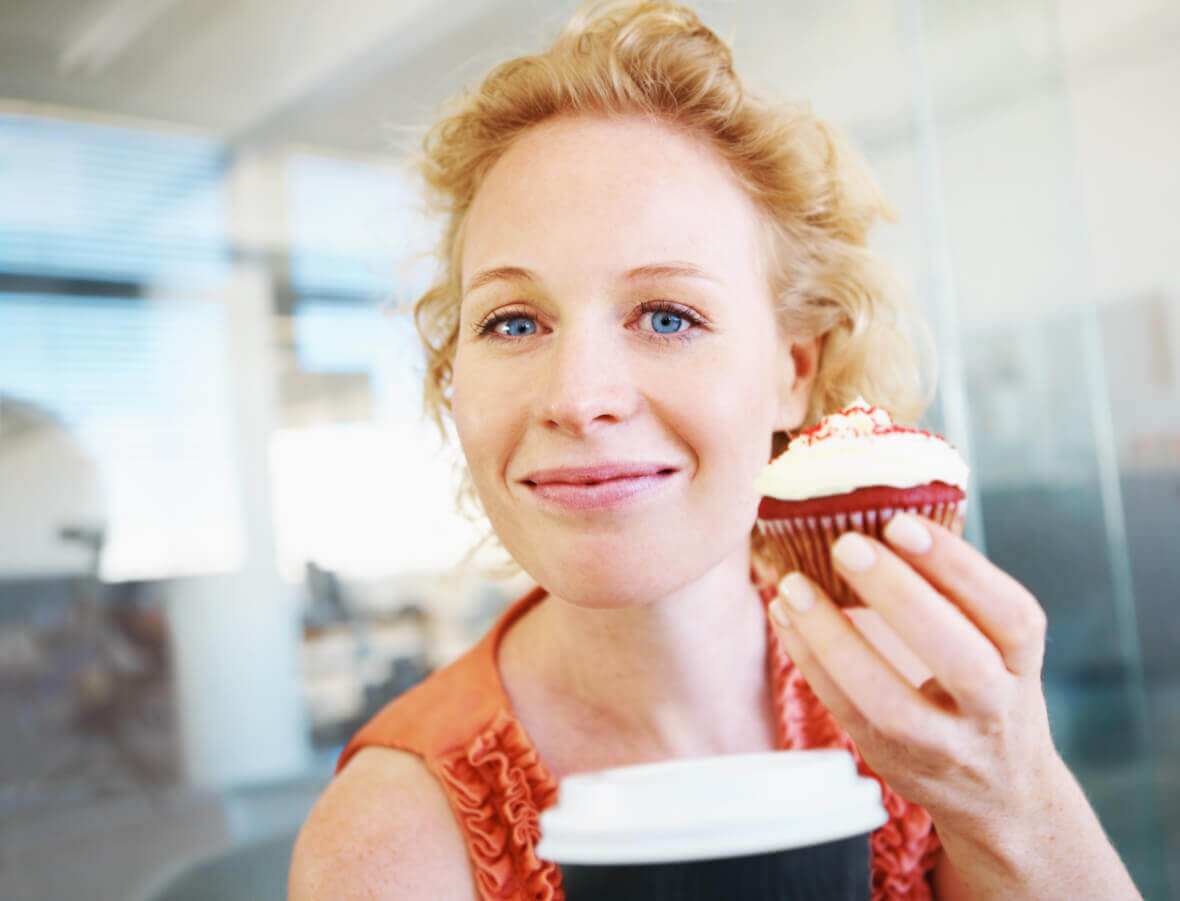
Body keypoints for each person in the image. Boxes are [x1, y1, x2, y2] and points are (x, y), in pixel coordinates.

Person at [289, 2, 1141, 898]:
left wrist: (1017, 798)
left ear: (793, 371)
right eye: (512, 320)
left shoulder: (928, 719)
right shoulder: (386, 841)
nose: (579, 398)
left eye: (668, 316)